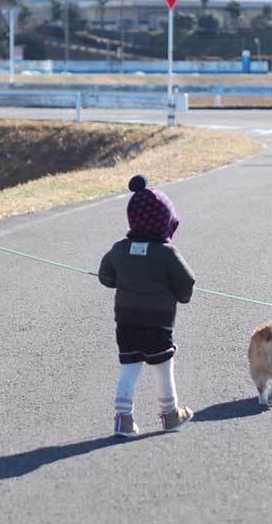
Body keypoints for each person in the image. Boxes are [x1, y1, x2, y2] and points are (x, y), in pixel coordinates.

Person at [98, 175, 195, 437]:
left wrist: (121, 279)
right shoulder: (167, 254)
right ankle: (170, 414)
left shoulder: (120, 249)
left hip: (126, 321)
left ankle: (123, 420)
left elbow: (105, 276)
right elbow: (187, 282)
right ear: (165, 221)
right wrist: (179, 295)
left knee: (129, 367)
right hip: (158, 322)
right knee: (163, 367)